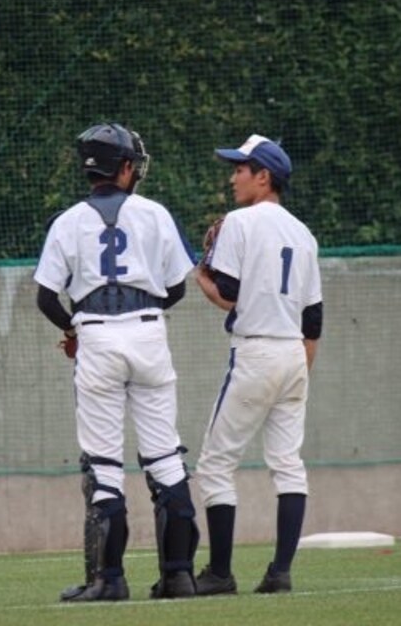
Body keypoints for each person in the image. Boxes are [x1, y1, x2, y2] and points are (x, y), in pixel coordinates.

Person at [33, 122, 199, 601]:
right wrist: (140, 315)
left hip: (97, 336)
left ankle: (109, 580)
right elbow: (177, 287)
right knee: (165, 457)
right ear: (125, 167)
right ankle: (179, 576)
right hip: (148, 333)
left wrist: (74, 330)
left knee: (105, 465)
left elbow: (46, 298)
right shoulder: (154, 213)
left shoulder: (67, 222)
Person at [194, 134, 323, 595]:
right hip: (294, 354)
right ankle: (280, 572)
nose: (233, 178)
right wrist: (299, 374)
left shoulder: (240, 222)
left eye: (239, 169)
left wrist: (199, 274)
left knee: (215, 464)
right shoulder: (304, 234)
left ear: (263, 176)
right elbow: (313, 320)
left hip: (256, 351)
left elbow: (227, 294)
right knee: (288, 465)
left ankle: (220, 574)